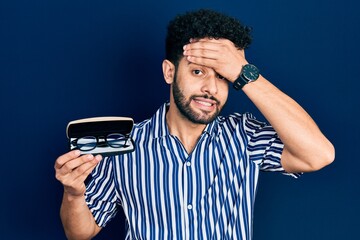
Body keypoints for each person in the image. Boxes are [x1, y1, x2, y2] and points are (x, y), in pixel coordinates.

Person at [55, 9, 335, 239]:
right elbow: (80, 233)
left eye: (223, 76)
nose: (211, 88)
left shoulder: (245, 136)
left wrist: (244, 72)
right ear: (169, 72)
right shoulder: (126, 144)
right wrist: (73, 193)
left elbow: (318, 155)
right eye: (198, 71)